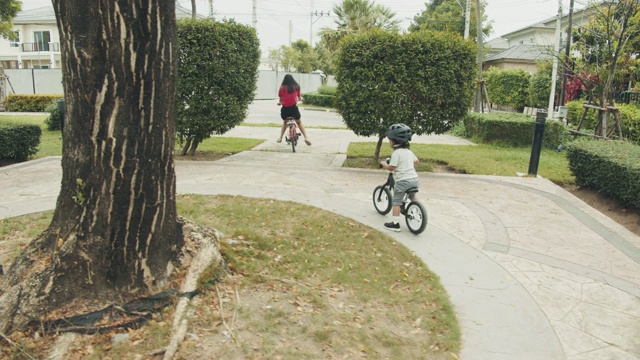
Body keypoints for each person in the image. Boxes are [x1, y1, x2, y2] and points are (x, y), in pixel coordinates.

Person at [379, 123, 419, 232]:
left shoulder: (396, 153)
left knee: (396, 200)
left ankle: (395, 224)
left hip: (403, 181)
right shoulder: (409, 152)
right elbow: (417, 161)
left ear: (393, 141)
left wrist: (384, 164)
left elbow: (392, 168)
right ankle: (416, 209)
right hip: (414, 179)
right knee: (412, 196)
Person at [277, 74, 311, 145]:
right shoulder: (296, 87)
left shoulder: (282, 88)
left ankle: (280, 137)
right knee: (299, 122)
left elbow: (280, 99)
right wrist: (301, 98)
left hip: (285, 109)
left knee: (285, 122)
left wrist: (280, 103)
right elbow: (299, 97)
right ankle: (306, 137)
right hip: (293, 108)